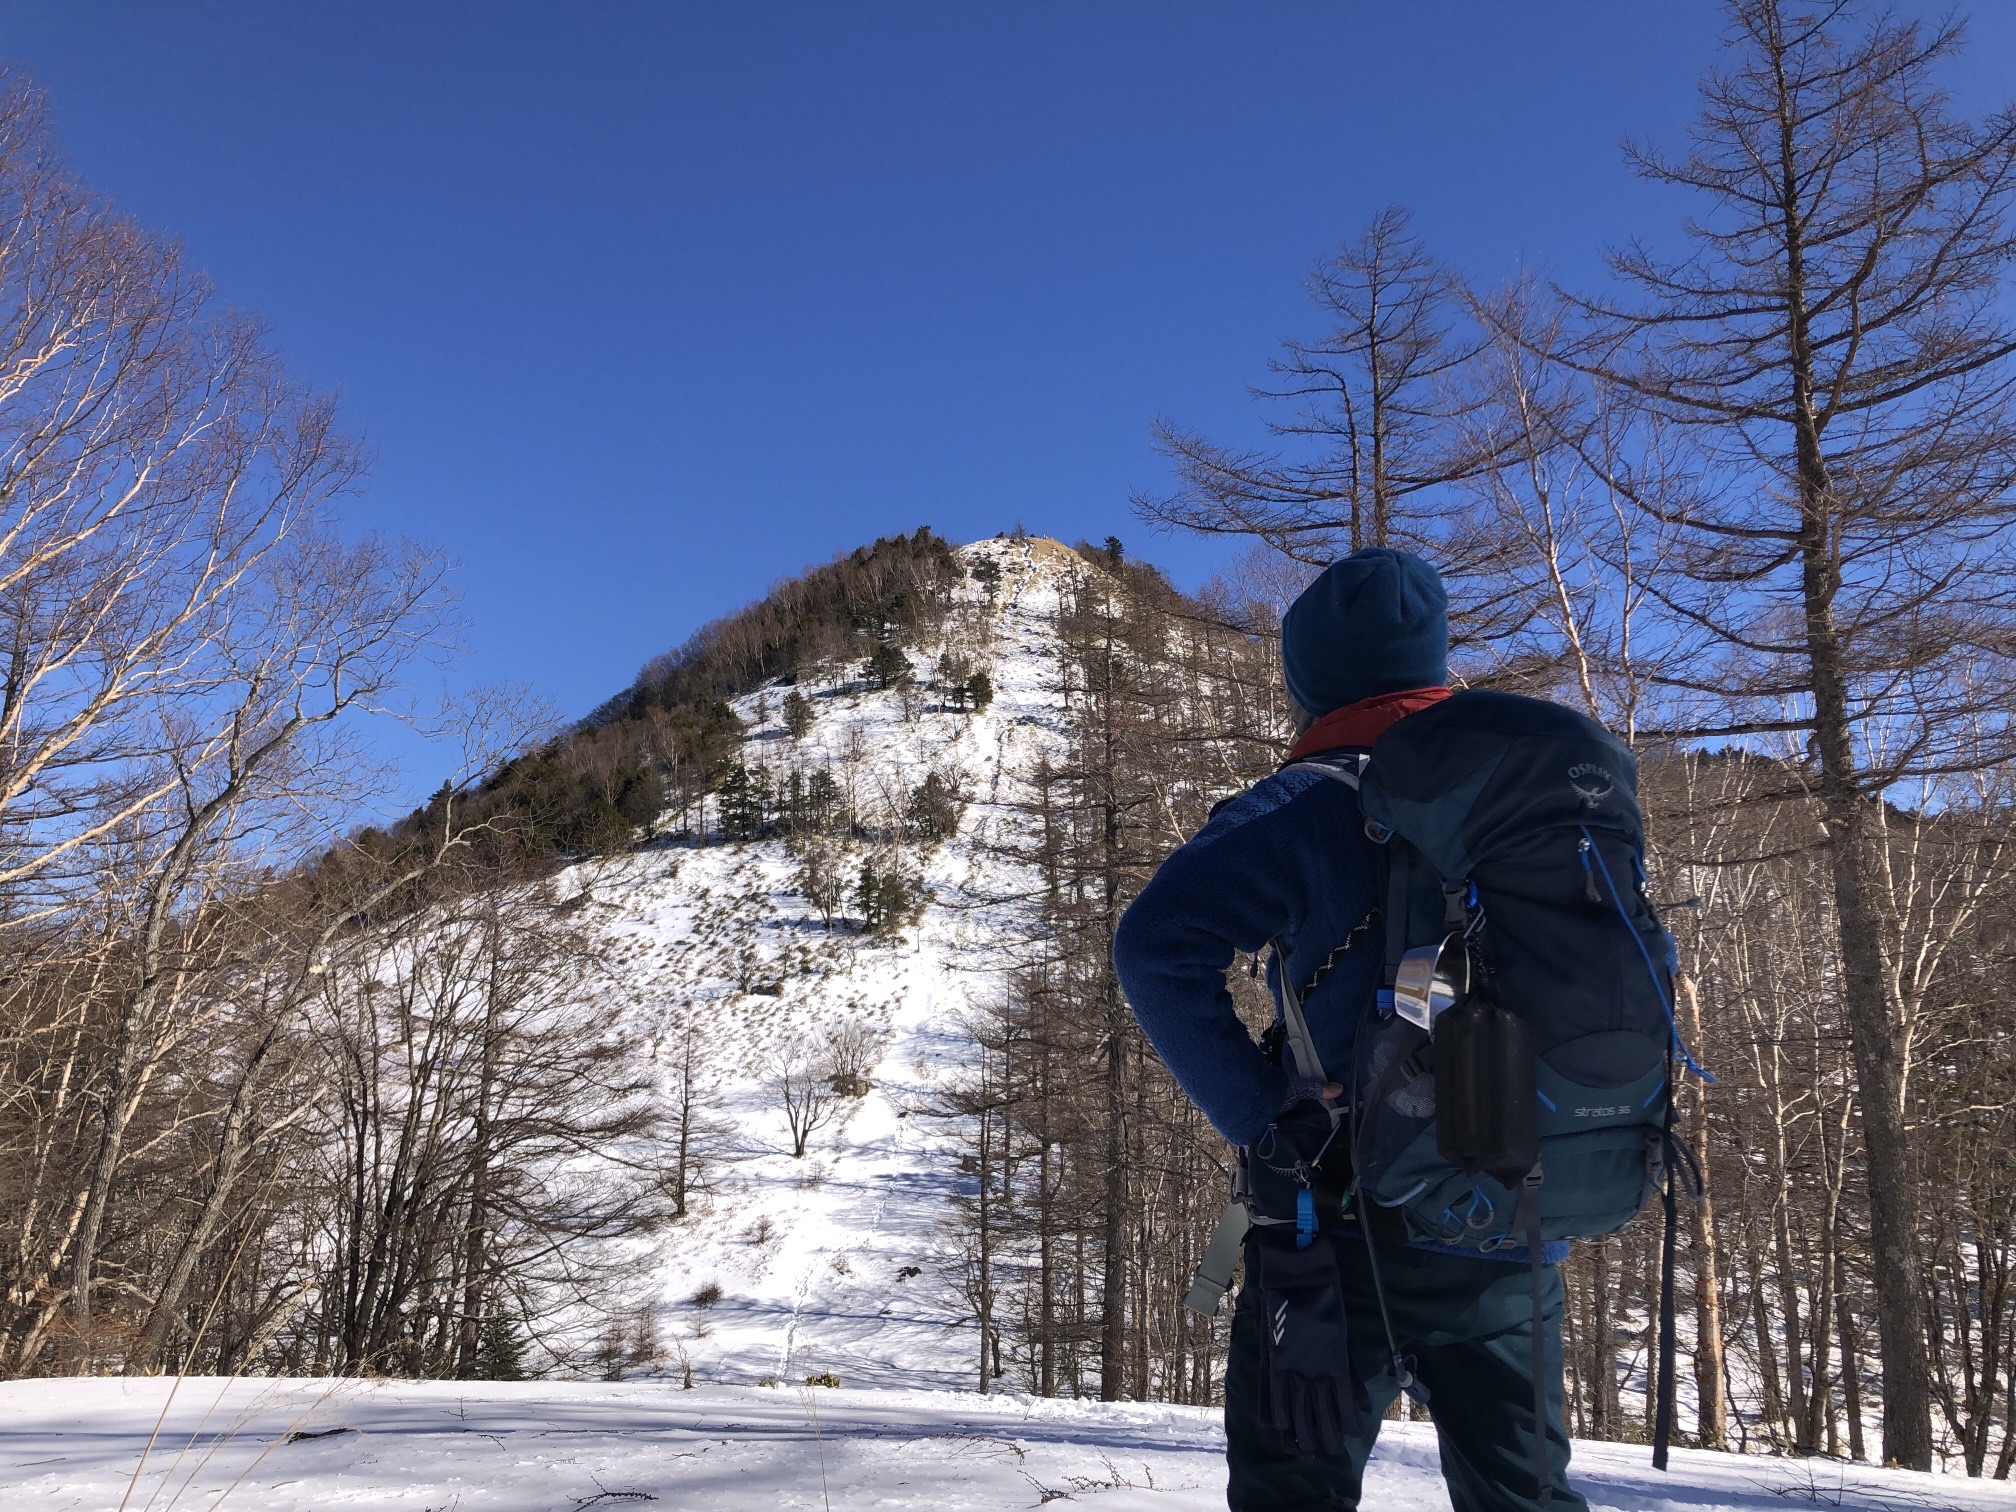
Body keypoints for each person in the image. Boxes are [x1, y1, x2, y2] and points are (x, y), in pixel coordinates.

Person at [1112, 547, 1585, 1512]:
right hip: (1511, 1228)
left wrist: (1260, 1111)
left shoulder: (1302, 808)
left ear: (1310, 682)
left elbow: (1154, 947)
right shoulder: (1538, 802)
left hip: (1334, 1234)